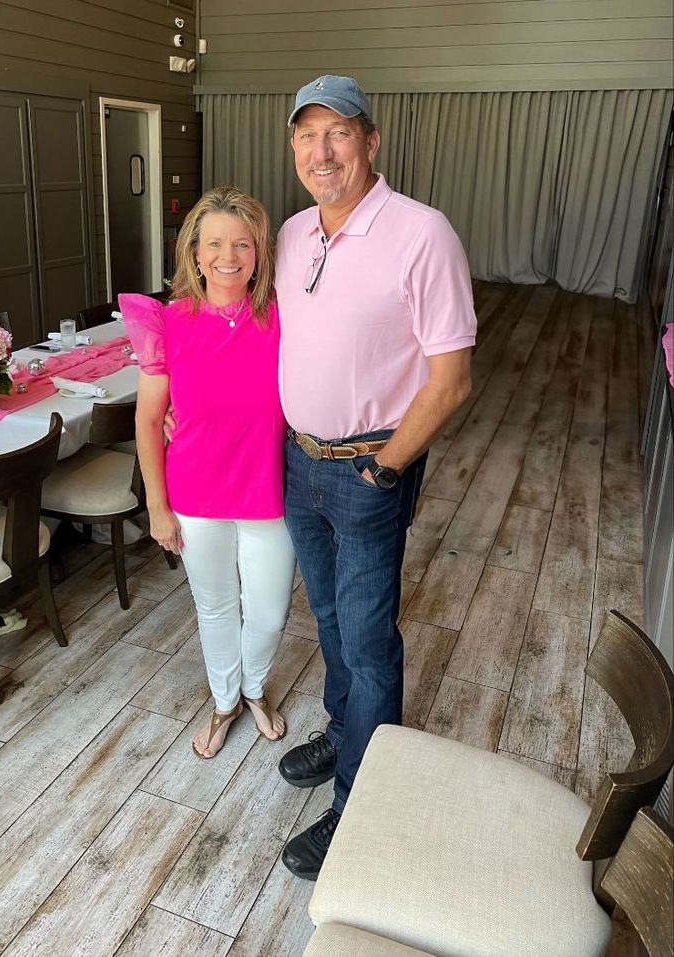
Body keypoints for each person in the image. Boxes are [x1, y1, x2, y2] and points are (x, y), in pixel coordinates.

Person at [275, 76, 477, 879]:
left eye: (338, 133)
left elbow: (452, 378)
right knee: (325, 618)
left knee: (366, 637)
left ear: (370, 141)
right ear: (294, 150)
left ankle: (361, 795)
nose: (321, 152)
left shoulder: (422, 233)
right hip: (298, 459)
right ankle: (343, 723)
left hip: (368, 465)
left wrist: (383, 467)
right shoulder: (291, 234)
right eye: (306, 136)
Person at [119, 187, 296, 759]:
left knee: (269, 609)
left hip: (268, 486)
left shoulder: (283, 314)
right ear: (194, 253)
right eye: (214, 243)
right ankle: (225, 699)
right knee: (215, 605)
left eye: (242, 243)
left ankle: (254, 688)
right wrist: (157, 507)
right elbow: (149, 420)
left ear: (259, 251)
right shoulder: (166, 323)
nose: (228, 255)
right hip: (194, 490)